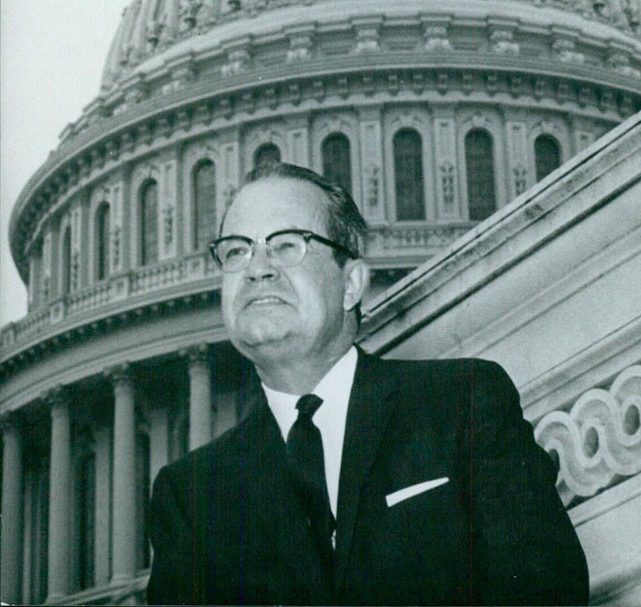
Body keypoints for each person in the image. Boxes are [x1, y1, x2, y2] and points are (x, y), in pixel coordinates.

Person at [147, 162, 589, 606]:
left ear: (351, 283)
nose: (257, 269)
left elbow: (546, 591)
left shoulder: (463, 403)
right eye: (236, 251)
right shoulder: (191, 495)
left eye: (286, 246)